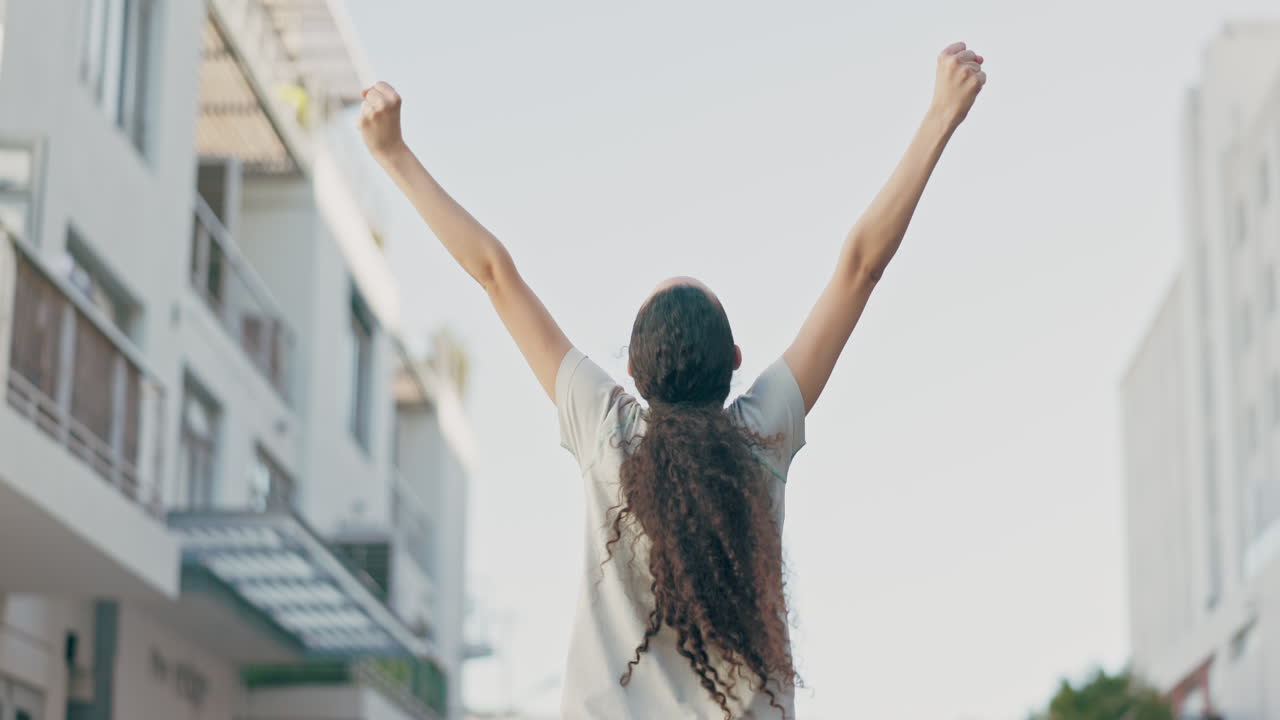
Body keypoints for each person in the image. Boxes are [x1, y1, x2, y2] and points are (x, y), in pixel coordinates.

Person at [360, 40, 986, 720]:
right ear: (737, 360)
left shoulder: (609, 432)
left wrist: (393, 153)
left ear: (631, 370)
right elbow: (859, 268)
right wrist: (939, 117)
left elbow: (494, 272)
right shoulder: (760, 439)